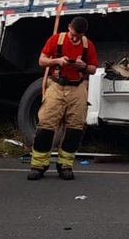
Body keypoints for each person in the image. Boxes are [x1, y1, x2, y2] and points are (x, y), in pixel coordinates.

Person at [28, 16, 98, 181]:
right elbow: (42, 60)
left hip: (78, 87)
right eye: (73, 34)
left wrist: (84, 67)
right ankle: (38, 165)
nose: (74, 38)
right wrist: (58, 60)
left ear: (83, 34)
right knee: (46, 124)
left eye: (78, 36)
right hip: (57, 85)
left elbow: (94, 69)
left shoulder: (88, 45)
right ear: (69, 27)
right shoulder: (56, 40)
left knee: (75, 127)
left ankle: (65, 165)